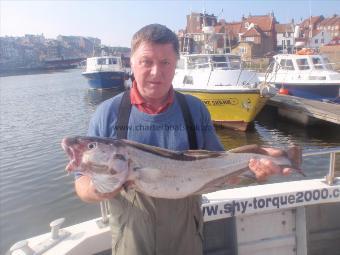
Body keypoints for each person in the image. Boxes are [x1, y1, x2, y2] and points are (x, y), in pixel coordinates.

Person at [75, 24, 292, 255]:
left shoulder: (194, 110)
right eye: (146, 62)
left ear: (176, 63)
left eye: (165, 62)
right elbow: (81, 184)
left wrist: (254, 171)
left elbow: (222, 170)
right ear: (131, 62)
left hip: (186, 239)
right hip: (132, 241)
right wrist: (100, 191)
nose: (156, 72)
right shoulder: (107, 113)